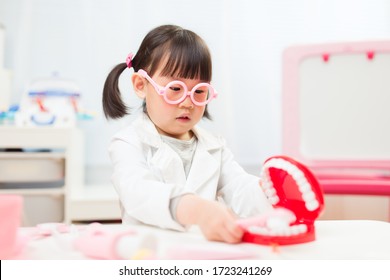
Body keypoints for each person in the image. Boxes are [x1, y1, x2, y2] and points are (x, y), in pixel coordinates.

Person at [102, 24, 272, 244]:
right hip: (149, 256)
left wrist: (269, 191)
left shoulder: (214, 146)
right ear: (141, 85)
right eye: (175, 89)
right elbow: (138, 192)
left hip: (201, 254)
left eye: (199, 91)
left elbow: (239, 188)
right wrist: (195, 209)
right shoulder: (128, 143)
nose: (187, 102)